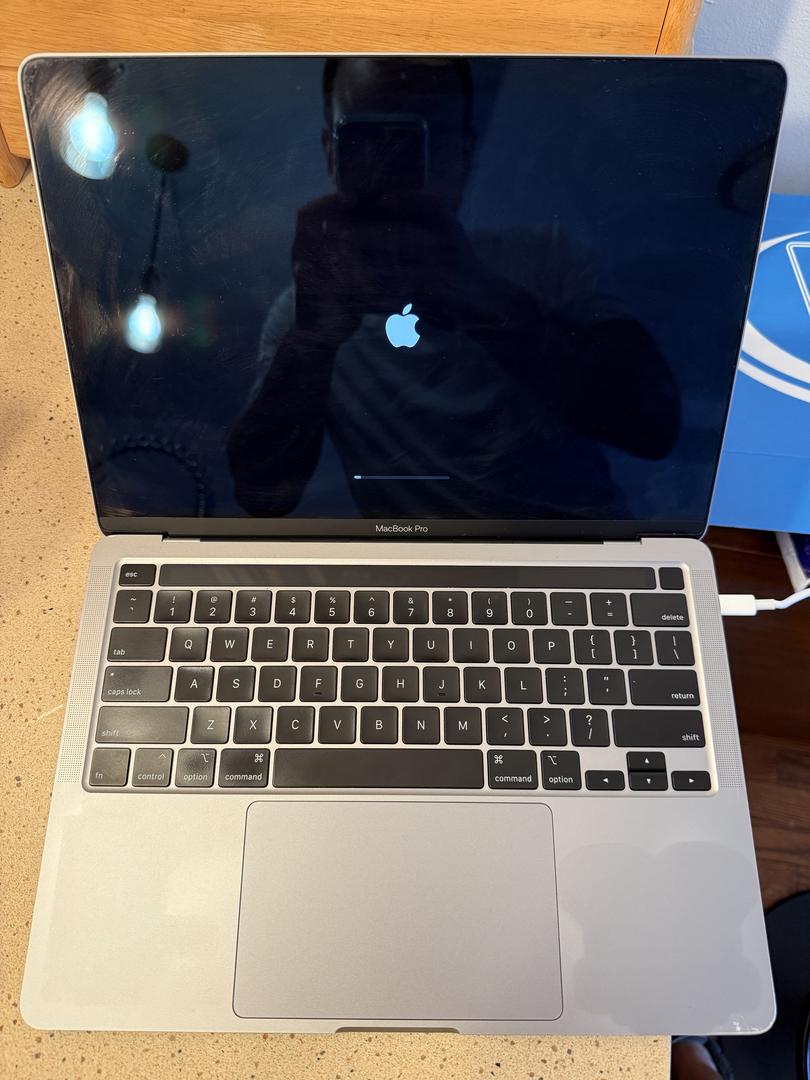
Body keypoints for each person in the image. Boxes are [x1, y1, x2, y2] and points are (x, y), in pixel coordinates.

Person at [228, 57, 680, 518]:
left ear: (465, 153)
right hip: (417, 557)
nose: (394, 163)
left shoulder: (546, 262)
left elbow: (654, 426)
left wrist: (477, 296)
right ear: (332, 154)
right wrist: (311, 342)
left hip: (566, 542)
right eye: (370, 138)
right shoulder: (305, 313)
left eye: (424, 138)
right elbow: (262, 494)